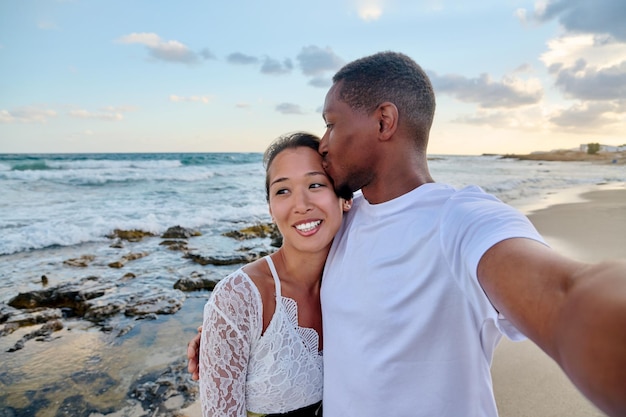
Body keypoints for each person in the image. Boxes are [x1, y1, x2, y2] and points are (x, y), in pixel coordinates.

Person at [189, 52, 626, 417]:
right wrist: (230, 337)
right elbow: (304, 300)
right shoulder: (346, 219)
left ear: (384, 122)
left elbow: (567, 293)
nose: (323, 143)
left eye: (332, 123)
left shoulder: (461, 220)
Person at [197, 132, 351, 417]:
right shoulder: (241, 297)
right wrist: (219, 335)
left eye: (315, 184)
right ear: (270, 209)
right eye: (282, 190)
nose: (300, 204)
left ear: (344, 198)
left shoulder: (359, 277)